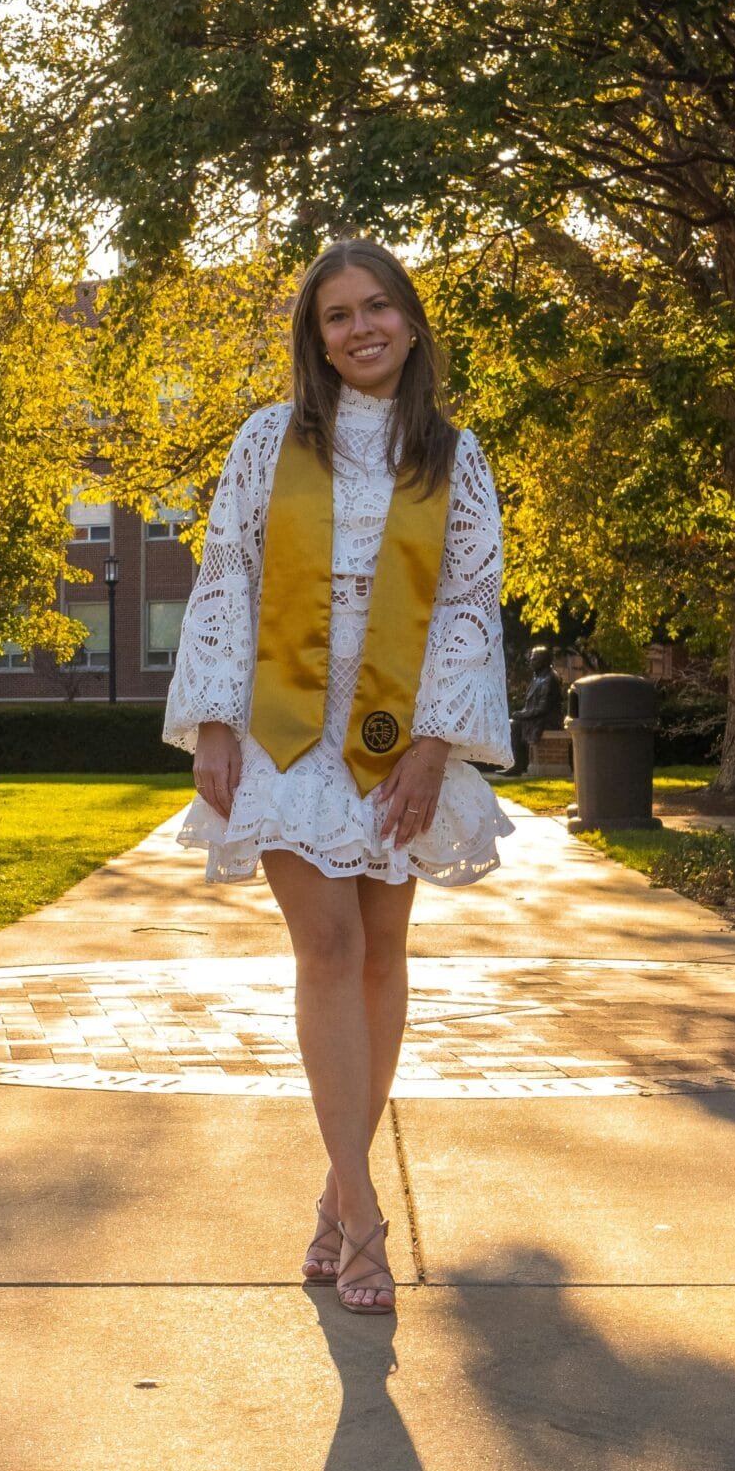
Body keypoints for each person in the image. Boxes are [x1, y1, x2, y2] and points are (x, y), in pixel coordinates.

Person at [163, 239, 513, 1316]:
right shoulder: (270, 441)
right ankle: (365, 1219)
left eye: (376, 308)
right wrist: (214, 723)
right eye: (335, 317)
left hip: (397, 729)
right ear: (314, 340)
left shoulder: (450, 456)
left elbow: (464, 607)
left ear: (409, 320)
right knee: (326, 946)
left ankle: (331, 1190)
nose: (359, 328)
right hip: (286, 726)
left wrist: (429, 746)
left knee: (380, 956)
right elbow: (226, 573)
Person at [504, 642, 565, 778]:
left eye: (535, 659)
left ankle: (517, 765)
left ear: (544, 661)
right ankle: (516, 764)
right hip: (537, 717)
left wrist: (522, 714)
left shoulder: (549, 678)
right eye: (531, 658)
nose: (531, 662)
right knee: (513, 722)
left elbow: (543, 708)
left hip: (548, 719)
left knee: (514, 724)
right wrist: (522, 713)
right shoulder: (538, 677)